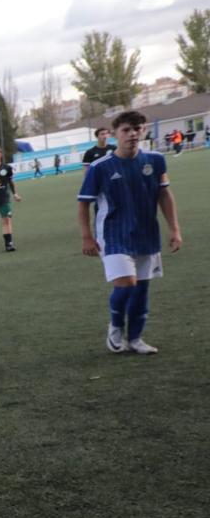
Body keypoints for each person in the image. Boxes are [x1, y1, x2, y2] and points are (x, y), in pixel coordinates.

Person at [78, 109, 182, 355]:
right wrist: (86, 237)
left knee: (142, 289)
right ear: (115, 134)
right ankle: (115, 327)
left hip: (146, 232)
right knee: (126, 284)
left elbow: (164, 194)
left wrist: (174, 229)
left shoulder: (155, 160)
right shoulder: (99, 167)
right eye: (126, 130)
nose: (133, 134)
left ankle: (135, 338)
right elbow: (83, 203)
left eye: (138, 129)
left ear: (143, 131)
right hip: (113, 235)